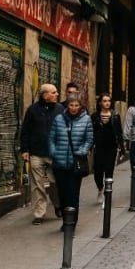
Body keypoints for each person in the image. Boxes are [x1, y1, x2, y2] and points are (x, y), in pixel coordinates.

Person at [48, 93, 93, 229]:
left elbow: (89, 139)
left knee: (73, 195)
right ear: (67, 106)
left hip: (76, 164)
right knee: (62, 195)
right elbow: (51, 138)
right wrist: (54, 152)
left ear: (80, 106)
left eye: (76, 105)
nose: (74, 108)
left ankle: (71, 223)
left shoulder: (86, 120)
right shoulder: (58, 119)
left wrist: (82, 151)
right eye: (71, 105)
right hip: (59, 164)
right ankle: (65, 220)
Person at [19, 83, 61, 225]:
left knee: (55, 182)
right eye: (54, 92)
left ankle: (57, 204)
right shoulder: (33, 110)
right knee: (38, 184)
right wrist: (24, 149)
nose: (57, 94)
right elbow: (25, 130)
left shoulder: (60, 109)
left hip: (54, 154)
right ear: (45, 95)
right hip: (36, 152)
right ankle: (39, 213)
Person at [91, 92, 124, 204]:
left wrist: (122, 149)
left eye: (109, 101)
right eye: (104, 101)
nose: (107, 103)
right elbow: (91, 133)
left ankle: (107, 193)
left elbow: (119, 132)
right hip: (99, 148)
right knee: (98, 173)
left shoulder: (115, 115)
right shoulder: (95, 116)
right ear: (100, 102)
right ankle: (100, 188)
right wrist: (91, 146)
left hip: (111, 148)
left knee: (109, 171)